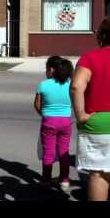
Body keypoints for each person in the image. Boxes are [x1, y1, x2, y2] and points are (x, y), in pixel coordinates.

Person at [71, 11, 110, 201]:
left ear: (103, 35)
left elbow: (76, 86)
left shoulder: (90, 58)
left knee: (98, 174)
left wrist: (80, 115)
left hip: (98, 122)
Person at [34, 56, 74, 191]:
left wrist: (45, 114)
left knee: (48, 152)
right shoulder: (70, 83)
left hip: (49, 121)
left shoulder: (43, 84)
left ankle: (46, 180)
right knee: (64, 151)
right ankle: (65, 180)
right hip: (66, 121)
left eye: (46, 69)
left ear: (51, 70)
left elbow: (37, 104)